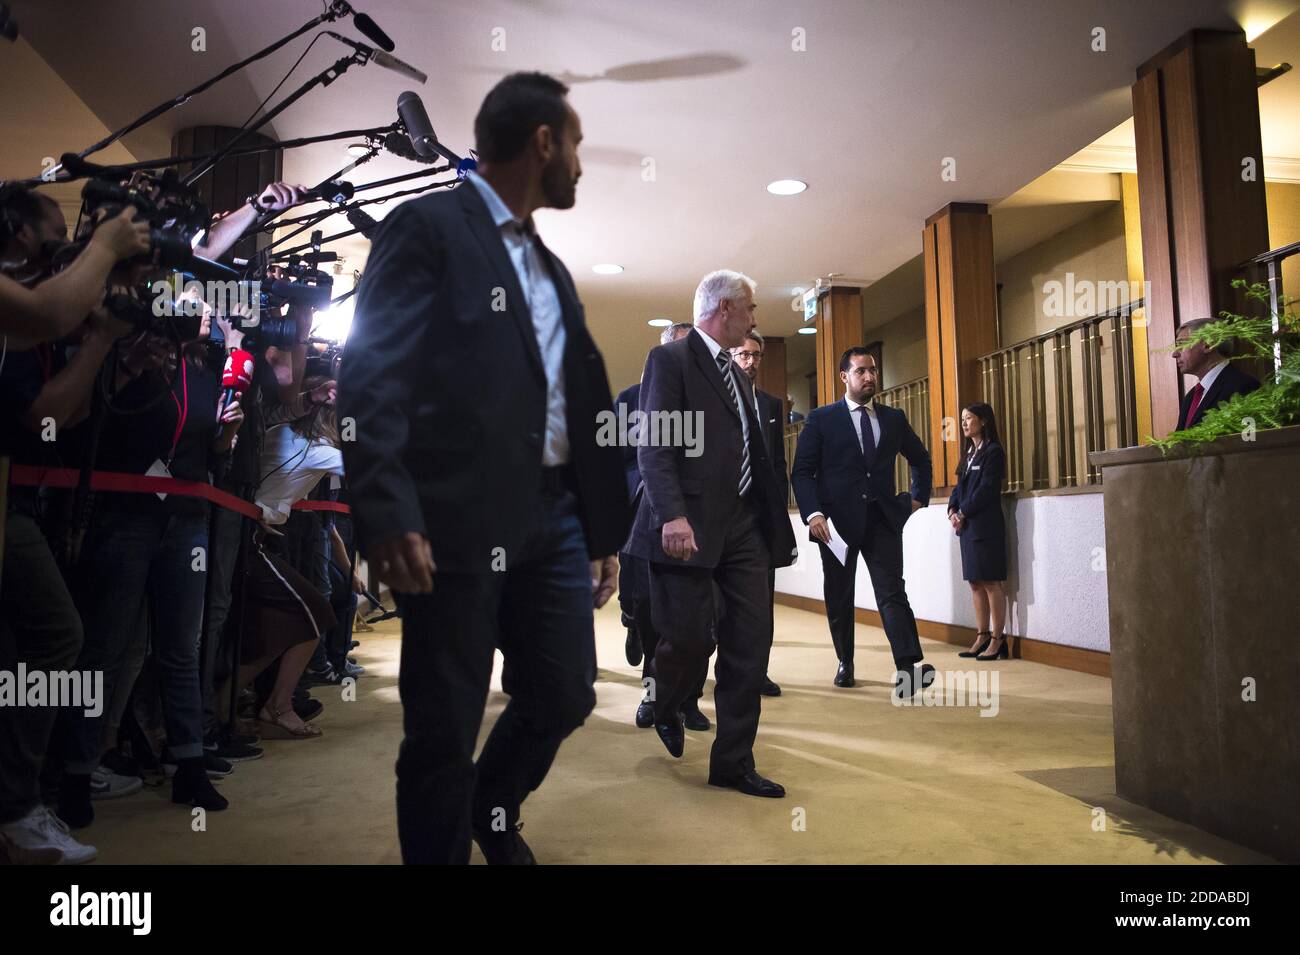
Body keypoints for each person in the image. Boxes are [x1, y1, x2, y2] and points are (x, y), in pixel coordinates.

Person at [339, 71, 629, 865]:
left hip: (555, 519)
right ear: (543, 142)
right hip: (455, 515)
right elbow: (372, 372)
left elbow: (577, 400)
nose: (579, 161)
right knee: (443, 724)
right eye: (573, 144)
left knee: (565, 691)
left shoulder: (551, 268)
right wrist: (387, 505)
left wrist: (600, 528)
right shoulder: (428, 226)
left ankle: (491, 806)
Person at [56, 307, 244, 828]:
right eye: (196, 307)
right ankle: (76, 772)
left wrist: (225, 439)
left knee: (182, 648)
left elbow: (208, 454)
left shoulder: (207, 375)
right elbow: (95, 431)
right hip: (126, 516)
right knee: (106, 648)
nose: (207, 315)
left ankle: (188, 763)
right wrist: (134, 363)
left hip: (185, 517)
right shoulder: (134, 362)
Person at [625, 269, 797, 799]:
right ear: (724, 308)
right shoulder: (672, 360)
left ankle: (733, 763)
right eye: (750, 309)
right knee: (691, 638)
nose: (754, 320)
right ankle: (669, 697)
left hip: (745, 527)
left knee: (750, 644)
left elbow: (755, 457)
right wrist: (671, 514)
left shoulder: (739, 375)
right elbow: (654, 444)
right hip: (689, 526)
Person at [790, 347, 933, 695]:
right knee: (839, 595)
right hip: (834, 526)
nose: (870, 377)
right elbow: (802, 472)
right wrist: (814, 513)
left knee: (892, 592)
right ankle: (845, 662)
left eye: (873, 370)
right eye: (861, 371)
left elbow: (921, 459)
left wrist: (917, 498)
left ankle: (907, 667)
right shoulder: (822, 419)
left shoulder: (893, 418)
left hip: (882, 519)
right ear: (845, 377)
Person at [614, 322, 709, 731]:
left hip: (701, 519)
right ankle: (651, 691)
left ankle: (689, 701)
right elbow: (615, 461)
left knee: (702, 619)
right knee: (648, 611)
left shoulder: (712, 396)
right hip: (643, 514)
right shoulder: (631, 400)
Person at [729, 329, 787, 698]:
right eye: (743, 355)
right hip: (724, 514)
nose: (750, 362)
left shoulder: (770, 405)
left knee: (761, 603)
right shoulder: (716, 399)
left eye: (755, 356)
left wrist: (778, 512)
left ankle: (758, 672)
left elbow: (778, 463)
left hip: (759, 518)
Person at [947, 403, 1010, 660]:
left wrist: (963, 513)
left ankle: (998, 640)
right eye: (962, 419)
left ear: (983, 421)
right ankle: (981, 636)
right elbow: (958, 488)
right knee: (975, 582)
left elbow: (986, 490)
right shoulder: (970, 452)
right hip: (968, 528)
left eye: (968, 419)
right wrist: (952, 510)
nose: (963, 424)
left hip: (985, 526)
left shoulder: (993, 452)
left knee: (991, 582)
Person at [1171, 318, 1262, 431]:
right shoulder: (1190, 397)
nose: (1174, 354)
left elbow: (1249, 440)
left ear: (1208, 345)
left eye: (1181, 344)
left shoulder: (1244, 386)